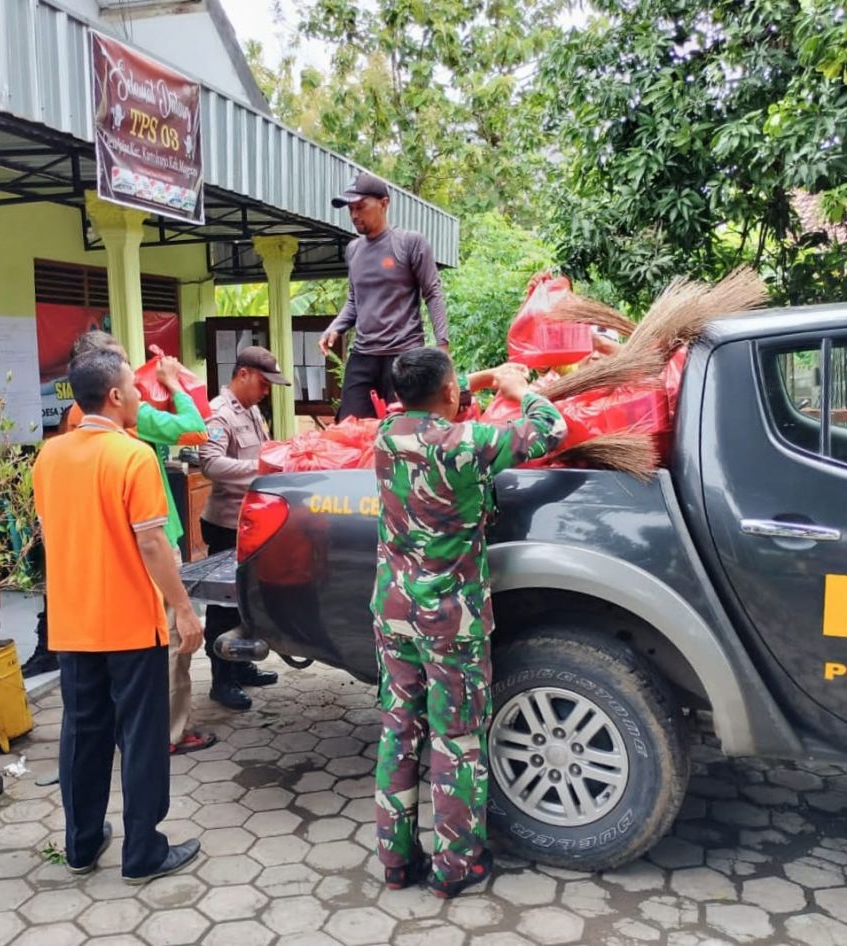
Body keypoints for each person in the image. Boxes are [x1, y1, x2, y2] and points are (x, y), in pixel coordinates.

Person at [371, 348, 567, 898]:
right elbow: (550, 428)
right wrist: (517, 389)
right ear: (449, 391)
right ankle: (457, 868)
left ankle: (395, 860)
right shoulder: (465, 445)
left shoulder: (386, 436)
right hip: (450, 621)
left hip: (394, 611)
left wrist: (471, 381)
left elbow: (416, 403)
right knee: (456, 738)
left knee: (399, 728)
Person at [33, 347, 203, 882]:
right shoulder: (133, 456)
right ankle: (143, 851)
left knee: (82, 735)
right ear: (113, 396)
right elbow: (152, 543)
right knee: (141, 738)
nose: (138, 394)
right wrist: (183, 609)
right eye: (133, 387)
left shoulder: (49, 456)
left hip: (72, 623)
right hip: (131, 622)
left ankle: (81, 845)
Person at [25, 331, 215, 755]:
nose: (136, 390)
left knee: (91, 693)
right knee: (165, 641)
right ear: (112, 389)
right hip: (146, 548)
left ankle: (119, 740)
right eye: (129, 379)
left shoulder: (61, 438)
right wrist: (173, 383)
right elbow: (194, 431)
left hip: (87, 574)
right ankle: (164, 734)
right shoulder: (128, 434)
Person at [198, 345, 291, 710]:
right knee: (224, 604)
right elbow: (210, 464)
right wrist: (259, 469)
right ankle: (222, 680)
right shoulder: (219, 414)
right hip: (226, 523)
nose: (266, 391)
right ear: (243, 374)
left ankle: (242, 666)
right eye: (264, 383)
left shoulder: (251, 410)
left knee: (246, 599)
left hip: (252, 520)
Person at [320, 172, 449, 420]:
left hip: (404, 354)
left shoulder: (409, 243)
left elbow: (432, 292)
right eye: (350, 209)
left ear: (384, 203)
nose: (354, 215)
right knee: (349, 425)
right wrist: (335, 327)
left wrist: (442, 346)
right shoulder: (353, 249)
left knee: (404, 429)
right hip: (364, 354)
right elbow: (354, 300)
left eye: (360, 207)